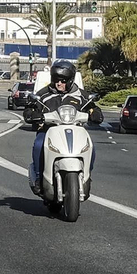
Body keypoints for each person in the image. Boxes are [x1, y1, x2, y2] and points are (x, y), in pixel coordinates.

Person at [29, 60, 90, 195]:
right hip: (48, 130)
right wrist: (32, 114)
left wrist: (95, 113)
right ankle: (39, 178)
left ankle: (87, 176)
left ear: (70, 80)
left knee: (90, 147)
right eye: (56, 80)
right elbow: (30, 108)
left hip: (75, 131)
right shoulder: (43, 94)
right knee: (39, 145)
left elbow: (93, 107)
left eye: (63, 80)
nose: (59, 83)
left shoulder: (82, 95)